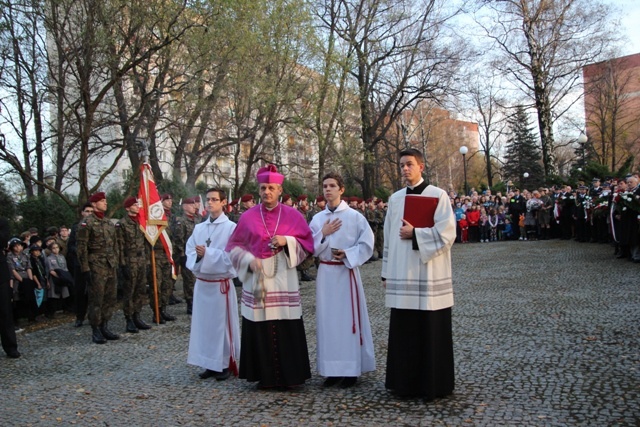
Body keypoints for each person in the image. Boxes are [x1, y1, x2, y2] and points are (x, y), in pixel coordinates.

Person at [226, 164, 314, 390]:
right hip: (258, 277)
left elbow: (308, 244)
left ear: (280, 190)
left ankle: (290, 376)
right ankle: (263, 376)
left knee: (285, 323)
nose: (267, 192)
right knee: (260, 324)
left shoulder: (293, 215)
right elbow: (234, 246)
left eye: (271, 188)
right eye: (263, 188)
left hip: (284, 274)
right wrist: (247, 260)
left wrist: (288, 241)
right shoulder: (247, 217)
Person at [381, 148, 456, 401]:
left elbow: (448, 234)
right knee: (405, 331)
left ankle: (434, 384)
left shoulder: (438, 195)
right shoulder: (395, 199)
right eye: (401, 165)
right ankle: (404, 384)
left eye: (409, 164)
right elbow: (388, 237)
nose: (405, 169)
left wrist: (416, 234)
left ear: (421, 167)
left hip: (430, 273)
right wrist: (385, 271)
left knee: (430, 329)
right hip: (402, 273)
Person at [309, 172, 375, 388]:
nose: (327, 190)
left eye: (332, 186)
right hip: (326, 274)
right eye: (325, 186)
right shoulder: (318, 219)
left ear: (341, 189)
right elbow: (310, 247)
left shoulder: (355, 217)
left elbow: (366, 245)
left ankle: (350, 370)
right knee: (328, 322)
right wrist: (324, 233)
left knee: (348, 322)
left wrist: (348, 253)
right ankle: (331, 370)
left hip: (346, 273)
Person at [186, 188, 240, 381]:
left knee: (221, 326)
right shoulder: (199, 228)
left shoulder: (231, 228)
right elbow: (190, 252)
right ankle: (209, 362)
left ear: (224, 202)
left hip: (220, 286)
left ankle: (224, 363)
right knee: (204, 325)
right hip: (203, 284)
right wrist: (199, 256)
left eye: (215, 200)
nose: (210, 203)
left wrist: (207, 254)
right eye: (208, 200)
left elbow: (233, 257)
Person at [76, 192, 120, 344]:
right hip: (95, 265)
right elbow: (81, 248)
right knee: (97, 298)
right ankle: (95, 329)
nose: (105, 203)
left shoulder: (108, 223)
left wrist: (117, 262)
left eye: (105, 201)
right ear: (94, 204)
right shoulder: (86, 223)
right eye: (102, 201)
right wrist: (85, 268)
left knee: (110, 297)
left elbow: (115, 245)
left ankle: (104, 325)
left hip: (110, 264)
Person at [116, 196, 151, 334]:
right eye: (134, 204)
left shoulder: (141, 222)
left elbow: (145, 243)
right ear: (127, 208)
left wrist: (147, 260)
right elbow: (119, 245)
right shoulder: (122, 224)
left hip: (141, 260)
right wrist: (122, 264)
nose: (137, 206)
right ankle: (129, 319)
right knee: (129, 291)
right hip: (129, 261)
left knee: (140, 289)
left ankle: (137, 316)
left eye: (137, 204)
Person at [67, 203, 94, 327]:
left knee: (94, 291)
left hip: (94, 263)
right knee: (80, 291)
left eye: (91, 211)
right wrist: (80, 251)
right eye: (87, 211)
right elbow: (71, 245)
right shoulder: (76, 227)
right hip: (80, 264)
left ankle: (93, 315)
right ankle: (79, 316)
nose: (89, 213)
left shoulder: (96, 226)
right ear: (82, 213)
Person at [172, 197, 198, 314]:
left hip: (198, 253)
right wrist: (183, 254)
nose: (194, 206)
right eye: (191, 205)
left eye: (194, 204)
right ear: (185, 207)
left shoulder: (197, 220)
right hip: (187, 255)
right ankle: (190, 303)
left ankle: (197, 301)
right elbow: (179, 240)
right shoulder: (181, 222)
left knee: (196, 279)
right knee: (189, 280)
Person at [1, 219, 20, 358]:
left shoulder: (2, 222)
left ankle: (10, 346)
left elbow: (2, 240)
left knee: (5, 312)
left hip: (1, 275)